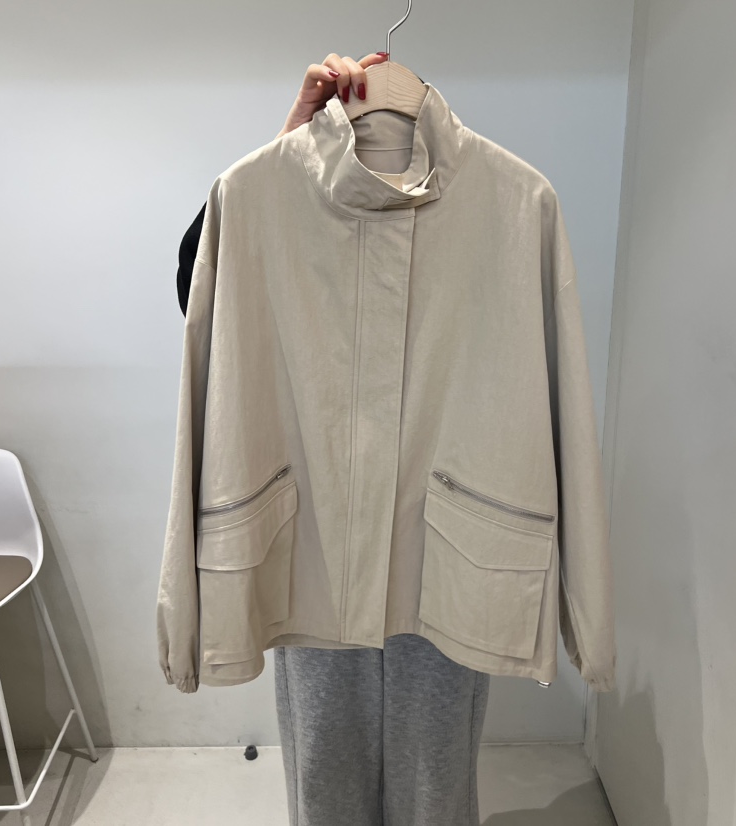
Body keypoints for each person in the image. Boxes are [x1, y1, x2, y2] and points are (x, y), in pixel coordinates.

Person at [173, 53, 491, 826]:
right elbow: (201, 289)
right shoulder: (274, 198)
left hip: (436, 532)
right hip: (317, 529)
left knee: (436, 771)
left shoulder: (489, 200)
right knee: (327, 767)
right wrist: (291, 143)